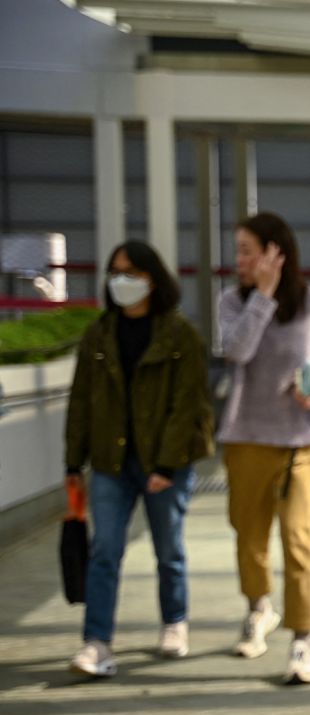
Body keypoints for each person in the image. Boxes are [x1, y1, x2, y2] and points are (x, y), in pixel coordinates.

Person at [65, 240, 214, 677]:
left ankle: (174, 621)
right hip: (111, 463)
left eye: (130, 272)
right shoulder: (99, 335)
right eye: (115, 272)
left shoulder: (179, 335)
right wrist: (73, 464)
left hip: (163, 463)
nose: (120, 281)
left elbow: (188, 405)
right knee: (104, 551)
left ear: (152, 279)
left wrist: (166, 466)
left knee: (168, 549)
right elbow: (81, 402)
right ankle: (96, 643)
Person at [218, 211, 310, 685]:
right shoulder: (233, 302)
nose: (239, 260)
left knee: (298, 537)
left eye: (247, 250)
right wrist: (264, 297)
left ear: (277, 252)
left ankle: (302, 643)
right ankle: (259, 608)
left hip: (301, 440)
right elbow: (235, 352)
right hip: (247, 437)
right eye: (239, 250)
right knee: (249, 537)